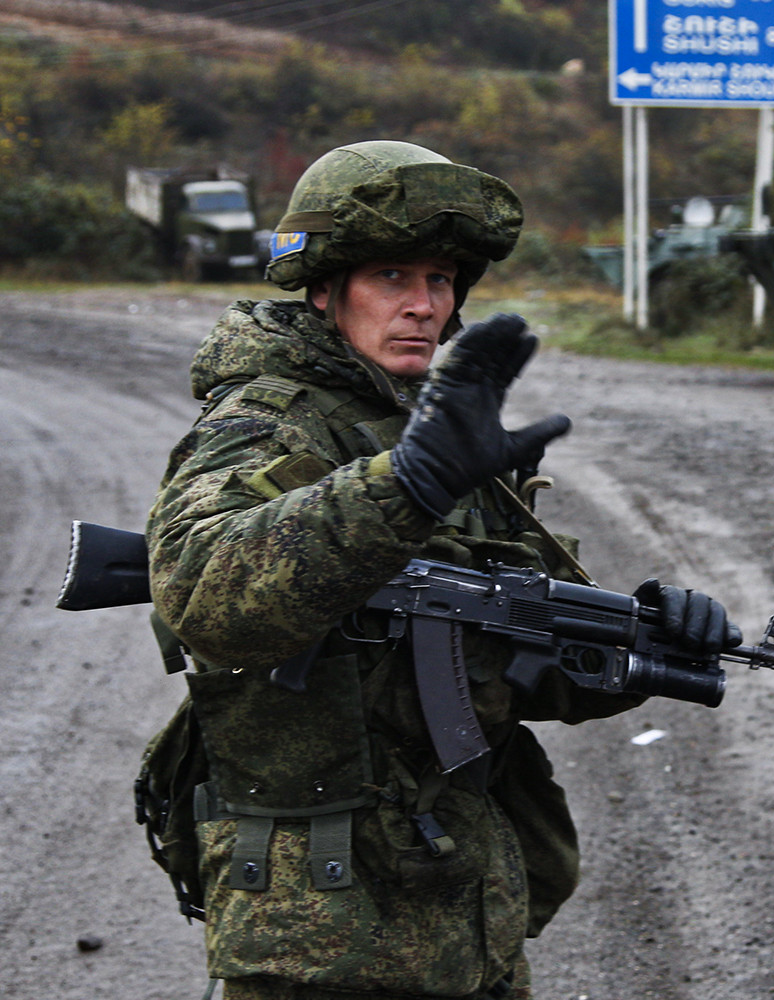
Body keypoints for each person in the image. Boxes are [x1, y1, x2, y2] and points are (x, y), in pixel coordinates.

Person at [145, 140, 740, 1000]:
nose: (423, 305)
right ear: (325, 288)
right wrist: (408, 486)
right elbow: (206, 593)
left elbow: (520, 666)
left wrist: (643, 641)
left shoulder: (430, 432)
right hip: (323, 935)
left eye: (440, 280)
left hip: (463, 908)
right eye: (392, 277)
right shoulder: (267, 422)